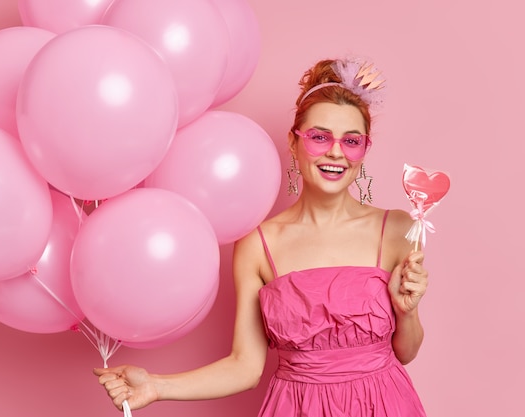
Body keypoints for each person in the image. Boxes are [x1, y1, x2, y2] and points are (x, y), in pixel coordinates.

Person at [94, 56, 429, 416]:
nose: (336, 152)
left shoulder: (397, 229)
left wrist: (406, 313)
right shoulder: (257, 244)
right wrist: (157, 386)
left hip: (385, 405)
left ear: (364, 150)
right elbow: (245, 366)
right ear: (294, 141)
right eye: (319, 137)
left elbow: (405, 352)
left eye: (351, 141)